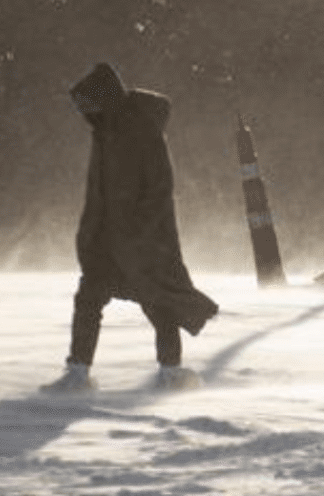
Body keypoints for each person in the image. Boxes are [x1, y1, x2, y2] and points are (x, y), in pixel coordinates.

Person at [54, 62, 218, 390]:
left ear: (105, 99)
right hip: (107, 241)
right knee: (88, 300)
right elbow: (98, 192)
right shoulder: (104, 132)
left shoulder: (142, 130)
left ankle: (171, 372)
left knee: (158, 302)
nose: (85, 113)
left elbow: (159, 187)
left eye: (89, 104)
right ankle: (78, 372)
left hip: (142, 241)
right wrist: (90, 235)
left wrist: (141, 233)